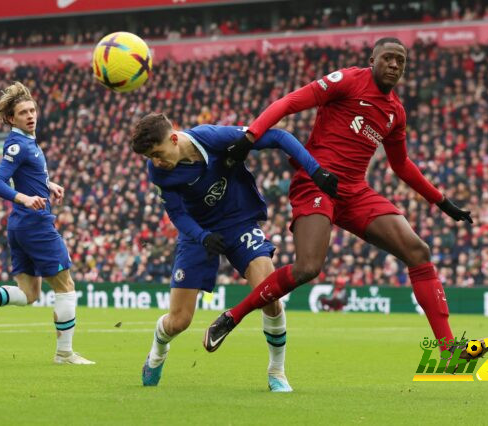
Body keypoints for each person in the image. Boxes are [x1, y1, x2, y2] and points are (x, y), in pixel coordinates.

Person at [204, 37, 488, 359]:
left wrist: (441, 201)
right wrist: (251, 135)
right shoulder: (349, 80)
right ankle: (232, 317)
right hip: (316, 181)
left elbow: (401, 165)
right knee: (308, 268)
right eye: (388, 58)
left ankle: (448, 350)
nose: (394, 65)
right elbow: (290, 102)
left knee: (418, 251)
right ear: (373, 59)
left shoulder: (395, 112)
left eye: (401, 61)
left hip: (354, 191)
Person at [130, 113, 338, 391]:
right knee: (180, 321)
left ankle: (277, 372)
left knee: (270, 295)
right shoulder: (159, 171)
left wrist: (315, 170)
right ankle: (158, 350)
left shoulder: (214, 138)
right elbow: (178, 214)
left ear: (174, 138)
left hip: (238, 222)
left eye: (157, 153)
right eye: (150, 157)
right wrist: (202, 237)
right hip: (198, 233)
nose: (156, 161)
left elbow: (278, 136)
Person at [0, 82, 94, 365]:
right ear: (11, 119)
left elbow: (24, 174)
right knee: (65, 285)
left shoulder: (28, 143)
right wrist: (26, 199)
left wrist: (47, 185)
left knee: (30, 294)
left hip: (20, 225)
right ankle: (64, 353)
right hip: (35, 223)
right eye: (23, 112)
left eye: (32, 110)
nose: (30, 115)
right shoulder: (18, 144)